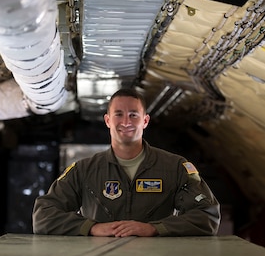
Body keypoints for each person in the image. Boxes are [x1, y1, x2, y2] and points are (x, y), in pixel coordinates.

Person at [32, 88, 221, 237]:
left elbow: (207, 215)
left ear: (145, 121)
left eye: (133, 114)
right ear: (107, 120)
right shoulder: (84, 170)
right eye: (118, 114)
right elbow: (43, 216)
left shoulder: (174, 168)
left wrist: (155, 229)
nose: (126, 121)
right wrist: (92, 228)